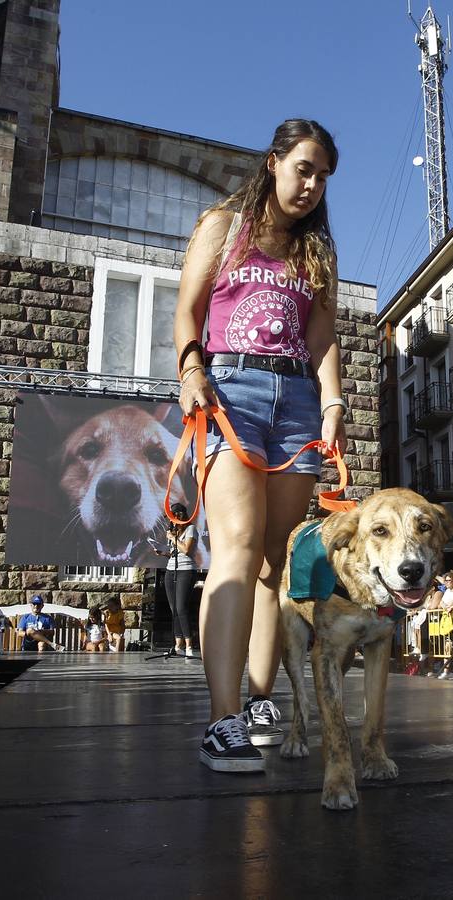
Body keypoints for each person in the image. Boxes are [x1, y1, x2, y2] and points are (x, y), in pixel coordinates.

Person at [174, 119, 344, 772]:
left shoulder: (317, 253)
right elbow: (188, 310)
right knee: (238, 548)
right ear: (274, 162)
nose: (312, 184)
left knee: (277, 557)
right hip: (230, 390)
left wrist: (332, 403)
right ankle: (220, 720)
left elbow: (323, 337)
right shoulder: (222, 225)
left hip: (298, 400)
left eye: (323, 176)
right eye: (304, 168)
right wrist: (191, 372)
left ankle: (259, 699)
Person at [160, 503, 198, 658]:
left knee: (181, 607)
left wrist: (173, 538)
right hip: (171, 571)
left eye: (172, 517)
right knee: (174, 608)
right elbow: (175, 553)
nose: (170, 521)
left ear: (179, 516)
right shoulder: (174, 531)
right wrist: (163, 553)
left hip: (186, 571)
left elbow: (187, 550)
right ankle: (178, 644)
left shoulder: (191, 529)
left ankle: (189, 645)